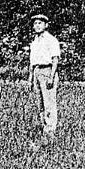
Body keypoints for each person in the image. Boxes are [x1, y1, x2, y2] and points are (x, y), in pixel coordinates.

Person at [27, 13, 60, 146]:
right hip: (37, 71)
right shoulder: (35, 42)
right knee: (40, 103)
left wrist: (51, 76)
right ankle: (44, 128)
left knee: (49, 103)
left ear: (46, 25)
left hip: (47, 71)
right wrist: (30, 78)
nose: (37, 26)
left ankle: (50, 131)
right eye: (35, 23)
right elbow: (32, 62)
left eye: (40, 23)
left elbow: (55, 59)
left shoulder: (51, 40)